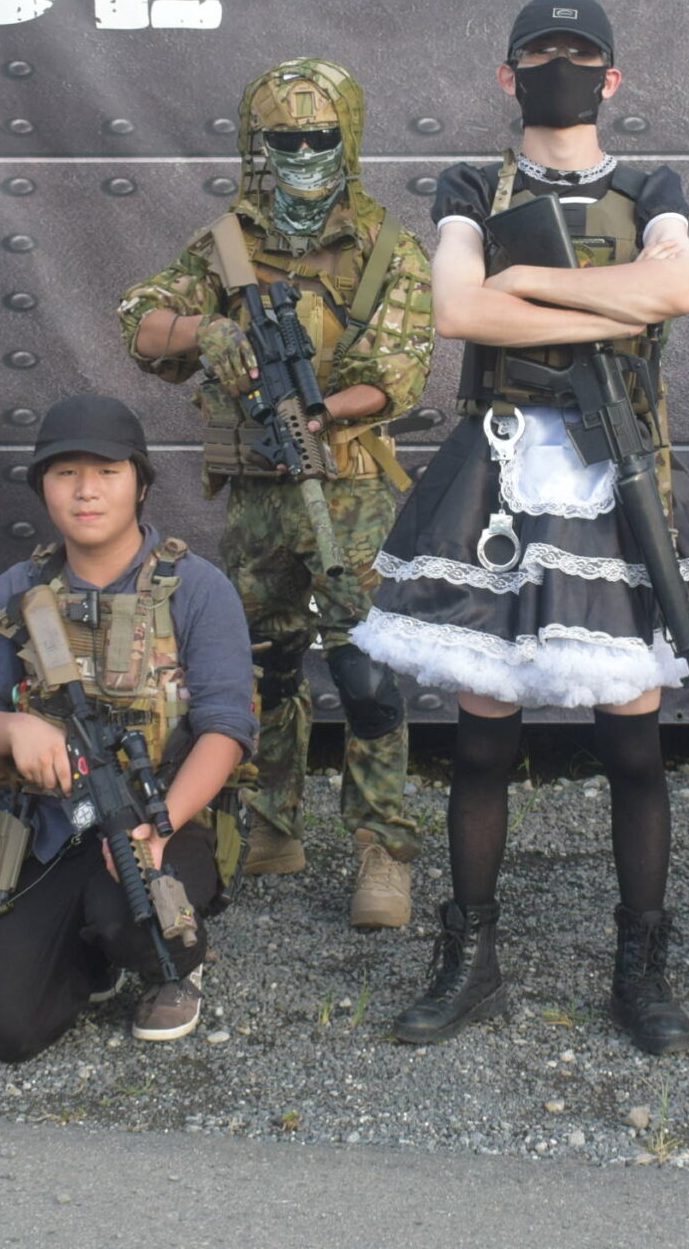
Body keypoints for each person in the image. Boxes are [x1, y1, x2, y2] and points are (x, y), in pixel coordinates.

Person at [354, 0, 689, 1055]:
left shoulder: (649, 185)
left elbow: (678, 289)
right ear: (509, 75)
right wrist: (612, 294)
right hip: (500, 464)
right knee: (482, 740)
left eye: (579, 54)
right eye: (541, 52)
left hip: (617, 461)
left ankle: (643, 966)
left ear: (611, 76)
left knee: (632, 740)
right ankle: (470, 959)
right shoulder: (473, 185)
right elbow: (460, 309)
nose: (562, 68)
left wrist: (533, 280)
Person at [117, 57, 433, 929]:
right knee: (262, 662)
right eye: (283, 141)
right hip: (258, 496)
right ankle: (271, 820)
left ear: (347, 139)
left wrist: (317, 410)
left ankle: (382, 845)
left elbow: (398, 372)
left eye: (317, 138)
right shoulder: (225, 245)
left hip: (348, 492)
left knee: (365, 672)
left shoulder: (387, 248)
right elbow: (139, 318)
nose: (300, 155)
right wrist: (207, 329)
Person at [0, 396, 256, 1058]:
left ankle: (174, 964)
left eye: (108, 472)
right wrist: (14, 730)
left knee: (135, 920)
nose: (86, 490)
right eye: (66, 473)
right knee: (5, 1029)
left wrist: (159, 830)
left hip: (166, 818)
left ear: (140, 484)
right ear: (42, 487)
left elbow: (227, 730)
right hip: (52, 827)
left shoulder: (197, 588)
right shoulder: (14, 591)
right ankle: (90, 953)